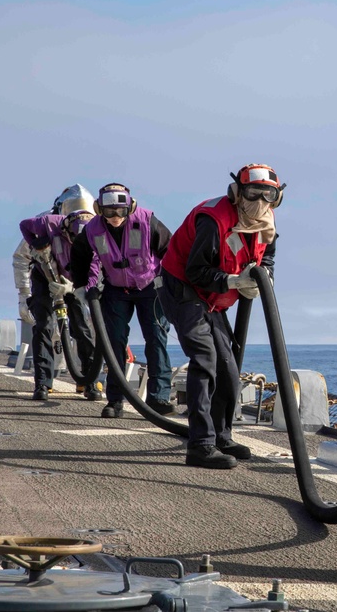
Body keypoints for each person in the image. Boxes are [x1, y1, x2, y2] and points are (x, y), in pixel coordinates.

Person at [157, 164, 282, 469]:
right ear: (238, 193)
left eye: (270, 195)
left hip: (213, 300)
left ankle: (221, 436)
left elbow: (267, 256)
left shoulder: (266, 223)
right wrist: (233, 282)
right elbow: (195, 270)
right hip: (183, 290)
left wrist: (264, 275)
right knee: (205, 359)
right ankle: (200, 445)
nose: (261, 202)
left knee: (228, 368)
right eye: (254, 193)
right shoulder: (214, 220)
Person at [70, 183, 175, 418]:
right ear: (99, 210)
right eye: (109, 212)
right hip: (115, 290)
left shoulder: (148, 221)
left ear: (130, 208)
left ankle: (159, 398)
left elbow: (171, 250)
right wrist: (80, 286)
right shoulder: (92, 229)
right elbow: (79, 256)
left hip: (150, 288)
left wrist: (169, 283)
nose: (115, 217)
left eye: (120, 211)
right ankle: (115, 401)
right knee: (114, 342)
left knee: (156, 339)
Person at [16, 185, 101, 401]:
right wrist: (24, 296)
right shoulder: (46, 223)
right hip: (44, 276)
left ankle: (88, 380)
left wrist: (72, 288)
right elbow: (21, 258)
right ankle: (43, 383)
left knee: (82, 327)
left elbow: (97, 268)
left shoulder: (96, 230)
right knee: (44, 325)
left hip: (74, 279)